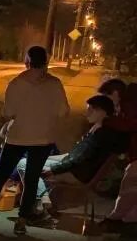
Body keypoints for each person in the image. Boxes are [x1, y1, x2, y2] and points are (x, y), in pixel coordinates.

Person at [0, 46, 68, 234]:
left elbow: (7, 113)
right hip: (43, 140)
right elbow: (63, 111)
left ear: (27, 62)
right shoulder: (55, 84)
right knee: (31, 179)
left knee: (0, 176)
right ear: (45, 62)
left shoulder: (16, 83)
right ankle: (21, 222)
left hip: (17, 137)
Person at [41, 95, 128, 215]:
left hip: (78, 173)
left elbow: (79, 159)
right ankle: (44, 201)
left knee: (25, 165)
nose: (87, 113)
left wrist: (54, 170)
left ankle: (44, 203)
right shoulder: (99, 129)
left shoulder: (101, 134)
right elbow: (78, 155)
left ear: (101, 111)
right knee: (32, 162)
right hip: (75, 167)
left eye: (90, 110)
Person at [100, 80, 137, 232]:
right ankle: (125, 219)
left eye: (107, 97)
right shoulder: (129, 102)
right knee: (131, 185)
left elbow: (129, 124)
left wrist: (106, 121)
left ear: (115, 93)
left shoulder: (129, 104)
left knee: (129, 184)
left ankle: (119, 219)